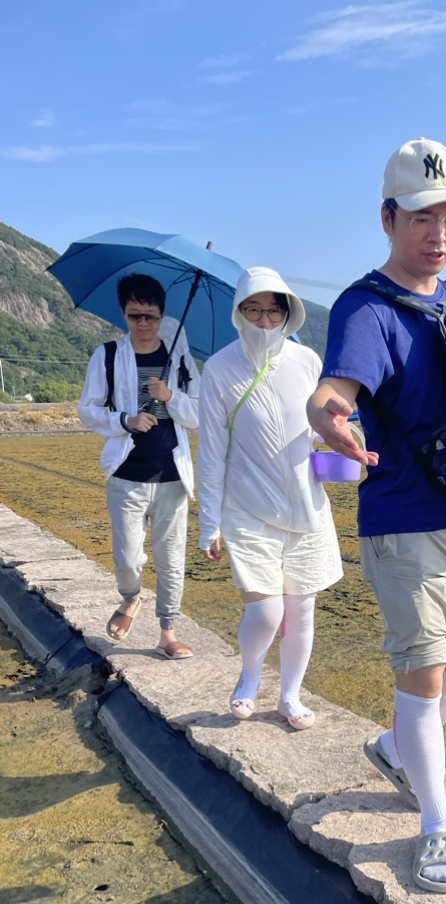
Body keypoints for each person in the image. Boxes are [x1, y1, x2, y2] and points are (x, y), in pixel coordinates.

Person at [307, 138, 446, 894]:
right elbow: (334, 391)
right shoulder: (366, 308)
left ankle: (397, 749)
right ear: (388, 218)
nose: (438, 233)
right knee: (423, 678)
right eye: (423, 217)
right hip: (402, 522)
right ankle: (436, 821)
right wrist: (329, 416)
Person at [198, 267, 342, 726]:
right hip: (247, 508)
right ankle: (250, 675)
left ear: (288, 313)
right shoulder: (219, 369)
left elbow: (319, 428)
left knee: (301, 612)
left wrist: (342, 440)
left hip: (306, 506)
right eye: (253, 310)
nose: (264, 321)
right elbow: (212, 452)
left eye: (274, 311)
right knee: (266, 612)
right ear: (239, 313)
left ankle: (290, 695)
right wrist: (209, 522)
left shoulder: (307, 361)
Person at [78, 273, 199, 658]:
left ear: (162, 314)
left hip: (172, 475)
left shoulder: (179, 357)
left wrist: (171, 396)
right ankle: (131, 597)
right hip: (126, 473)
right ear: (124, 314)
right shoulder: (108, 355)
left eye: (150, 316)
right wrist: (125, 420)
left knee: (171, 560)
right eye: (134, 316)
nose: (143, 324)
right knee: (127, 558)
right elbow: (87, 410)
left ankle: (168, 632)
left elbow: (199, 415)